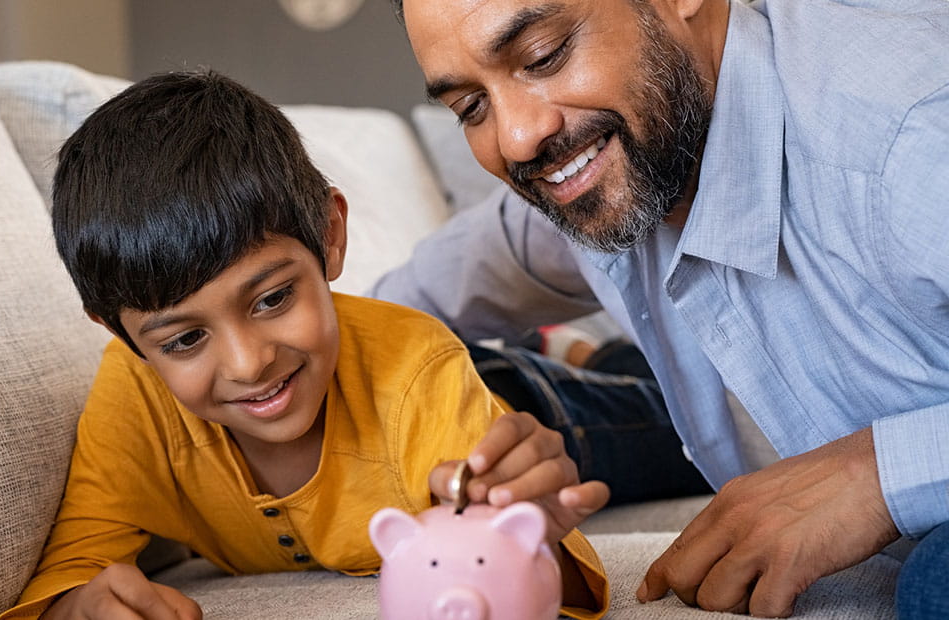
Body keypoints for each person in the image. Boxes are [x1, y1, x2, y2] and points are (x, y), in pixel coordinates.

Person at [383, 0, 949, 617]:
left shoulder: (914, 132)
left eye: (544, 56)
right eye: (472, 108)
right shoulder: (585, 177)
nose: (517, 138)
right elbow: (378, 318)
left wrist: (874, 473)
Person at [0, 69, 612, 620]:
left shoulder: (417, 369)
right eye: (185, 339)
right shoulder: (134, 396)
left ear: (330, 233)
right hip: (464, 374)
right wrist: (76, 606)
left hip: (516, 401)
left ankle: (587, 357)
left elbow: (545, 565)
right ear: (122, 336)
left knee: (643, 415)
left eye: (272, 300)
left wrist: (530, 540)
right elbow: (76, 561)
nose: (249, 362)